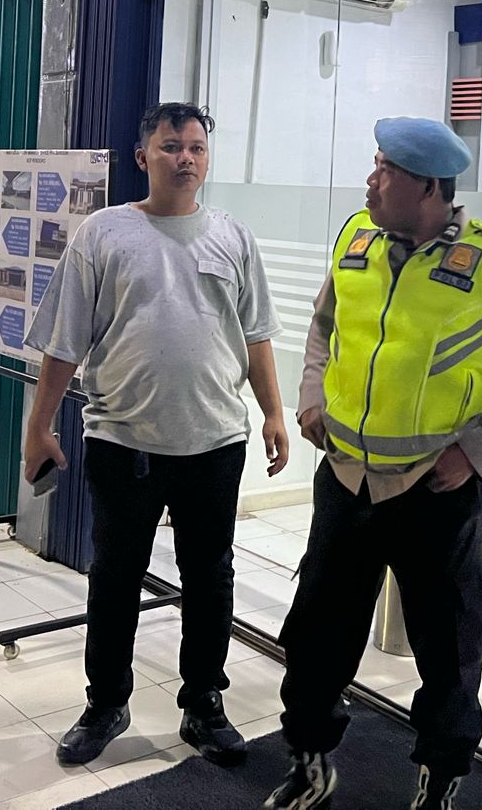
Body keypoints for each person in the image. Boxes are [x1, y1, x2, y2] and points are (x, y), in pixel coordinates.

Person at [264, 117, 482, 810]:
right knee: (316, 637)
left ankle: (439, 779)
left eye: (386, 171)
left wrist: (480, 451)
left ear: (430, 188)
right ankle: (310, 762)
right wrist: (311, 395)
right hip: (345, 481)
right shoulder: (357, 236)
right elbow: (323, 327)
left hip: (434, 491)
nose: (371, 181)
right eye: (375, 165)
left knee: (450, 651)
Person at [22, 102, 290, 768]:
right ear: (144, 157)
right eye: (171, 146)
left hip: (214, 441)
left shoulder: (233, 237)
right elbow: (65, 341)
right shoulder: (103, 233)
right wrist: (39, 425)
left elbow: (256, 334)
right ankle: (106, 705)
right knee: (115, 578)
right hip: (124, 440)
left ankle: (204, 704)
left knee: (210, 578)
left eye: (196, 147)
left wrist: (274, 413)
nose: (185, 158)